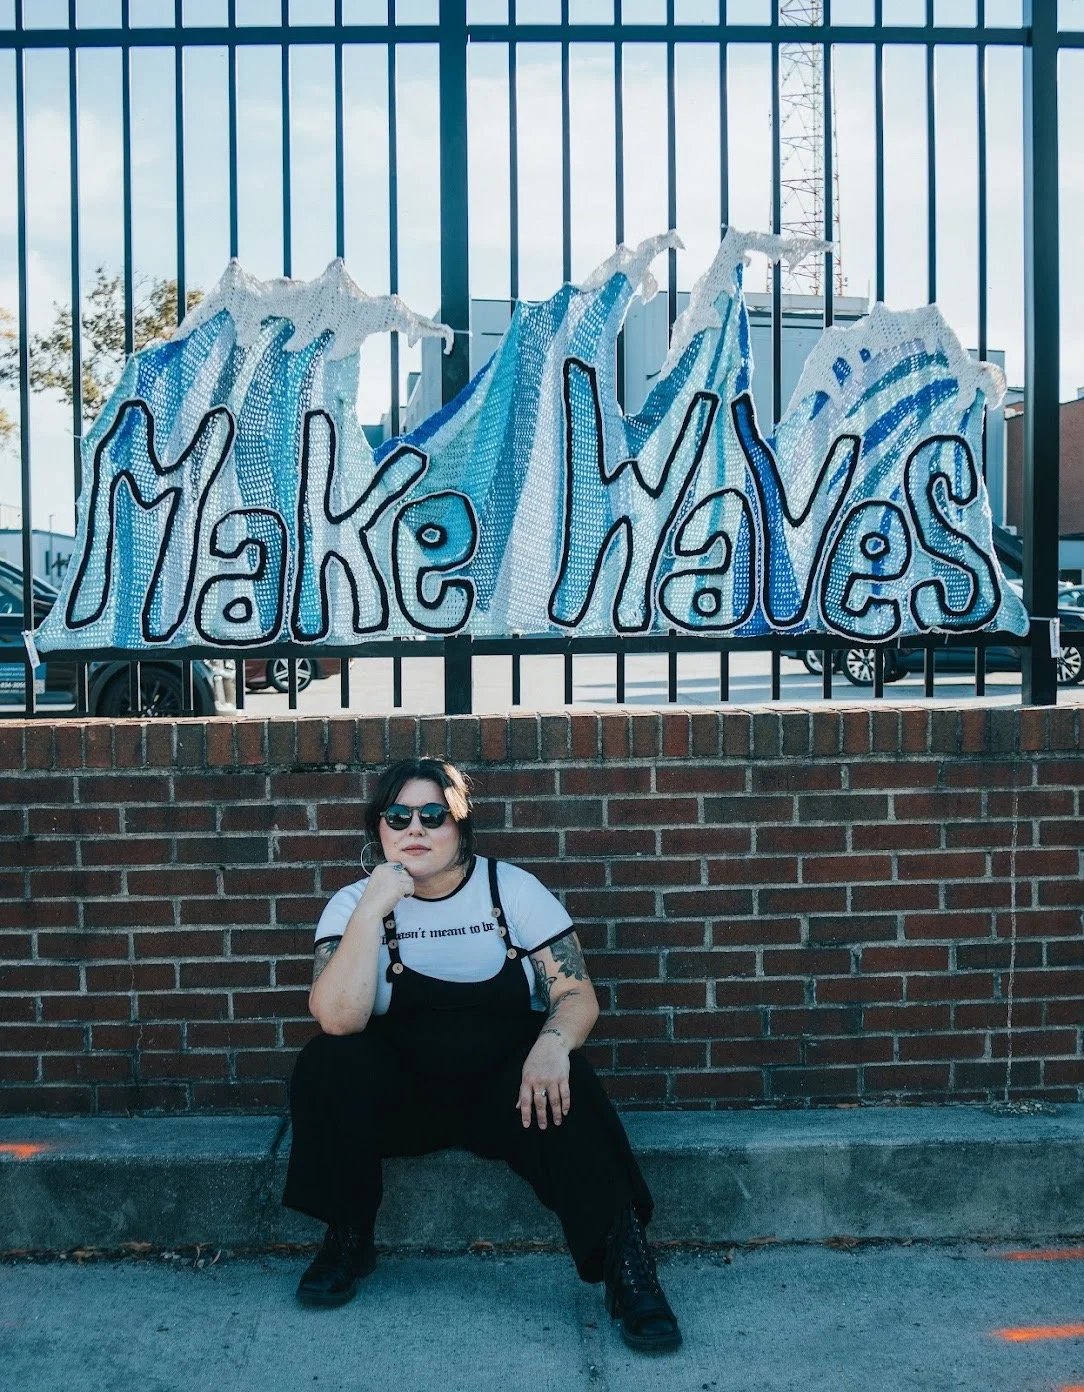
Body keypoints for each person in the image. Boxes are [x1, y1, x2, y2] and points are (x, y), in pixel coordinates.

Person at [282, 756, 681, 1353]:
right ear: (380, 831)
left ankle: (628, 1265)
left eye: (433, 815)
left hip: (506, 1094)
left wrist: (552, 1044)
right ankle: (348, 1235)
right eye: (398, 816)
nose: (414, 829)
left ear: (460, 826)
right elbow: (339, 1018)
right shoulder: (351, 905)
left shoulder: (510, 890)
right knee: (327, 1062)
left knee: (573, 1076)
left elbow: (575, 993)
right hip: (404, 1099)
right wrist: (371, 910)